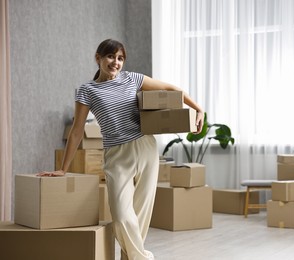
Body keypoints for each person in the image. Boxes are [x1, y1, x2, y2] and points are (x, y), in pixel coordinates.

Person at [38, 39, 204, 260]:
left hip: (145, 147)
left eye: (120, 58)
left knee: (142, 213)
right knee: (122, 215)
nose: (115, 62)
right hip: (116, 154)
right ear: (98, 58)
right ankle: (142, 258)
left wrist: (198, 109)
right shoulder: (87, 91)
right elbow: (77, 131)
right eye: (110, 57)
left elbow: (172, 89)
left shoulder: (132, 79)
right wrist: (63, 169)